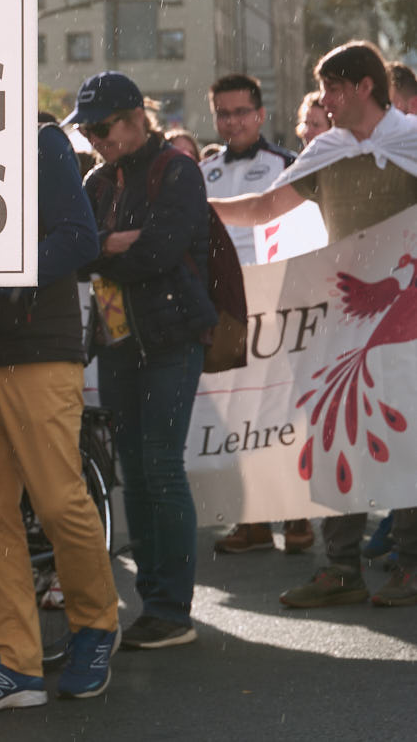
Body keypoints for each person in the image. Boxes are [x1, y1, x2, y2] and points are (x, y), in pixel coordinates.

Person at [210, 41, 417, 608]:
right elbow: (263, 208)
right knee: (337, 435)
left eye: (332, 88)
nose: (323, 100)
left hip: (406, 317)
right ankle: (341, 568)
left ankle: (411, 564)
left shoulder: (412, 143)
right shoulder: (327, 150)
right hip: (344, 315)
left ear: (363, 88)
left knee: (407, 436)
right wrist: (203, 208)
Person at [0, 121, 119, 714]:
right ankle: (14, 663)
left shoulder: (38, 139)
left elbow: (78, 236)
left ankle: (95, 625)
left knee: (57, 501)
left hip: (38, 348)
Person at [72, 71, 215, 649]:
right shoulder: (99, 180)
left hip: (170, 339)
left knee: (158, 466)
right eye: (87, 131)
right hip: (117, 343)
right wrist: (111, 244)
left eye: (103, 127)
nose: (96, 140)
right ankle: (158, 602)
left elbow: (158, 251)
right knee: (136, 471)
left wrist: (104, 248)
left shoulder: (178, 170)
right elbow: (75, 248)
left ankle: (170, 608)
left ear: (137, 117)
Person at [203, 74, 311, 555]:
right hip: (225, 311)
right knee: (239, 413)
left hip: (280, 305)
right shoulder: (201, 173)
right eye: (223, 113)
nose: (232, 121)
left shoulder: (286, 165)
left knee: (285, 414)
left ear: (260, 115)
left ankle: (299, 516)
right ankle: (253, 521)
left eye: (240, 112)